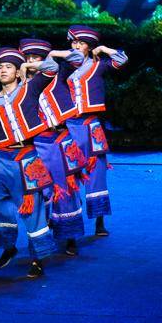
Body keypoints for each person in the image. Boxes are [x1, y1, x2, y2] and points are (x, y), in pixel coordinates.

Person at [0, 47, 57, 277]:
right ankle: (8, 245)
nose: (3, 70)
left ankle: (37, 258)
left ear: (16, 71)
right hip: (2, 160)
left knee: (32, 209)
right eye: (0, 67)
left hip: (27, 157)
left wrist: (27, 66)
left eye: (9, 67)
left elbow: (52, 68)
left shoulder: (29, 89)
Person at [19, 37, 86, 255]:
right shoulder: (21, 86)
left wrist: (52, 55)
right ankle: (44, 234)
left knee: (65, 188)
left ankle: (70, 235)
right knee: (41, 191)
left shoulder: (58, 75)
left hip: (59, 139)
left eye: (36, 57)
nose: (31, 61)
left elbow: (78, 57)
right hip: (37, 143)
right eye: (28, 58)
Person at [61, 25, 128, 237]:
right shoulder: (64, 68)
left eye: (81, 43)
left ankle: (99, 221)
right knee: (67, 174)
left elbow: (121, 60)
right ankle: (69, 221)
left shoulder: (98, 66)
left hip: (91, 126)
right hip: (69, 126)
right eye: (74, 42)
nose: (76, 46)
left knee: (97, 173)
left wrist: (104, 49)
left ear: (89, 47)